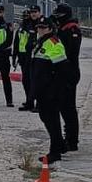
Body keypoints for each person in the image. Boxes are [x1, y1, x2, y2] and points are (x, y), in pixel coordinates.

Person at [30, 17, 70, 164]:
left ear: (50, 29)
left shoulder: (54, 43)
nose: (40, 30)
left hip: (51, 90)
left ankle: (55, 152)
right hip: (42, 89)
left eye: (44, 28)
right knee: (45, 118)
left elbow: (62, 69)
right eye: (39, 27)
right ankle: (60, 145)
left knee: (52, 121)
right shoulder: (40, 42)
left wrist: (55, 90)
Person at [52, 3, 82, 152]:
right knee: (63, 107)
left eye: (59, 15)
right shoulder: (63, 28)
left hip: (69, 72)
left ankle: (72, 140)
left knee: (68, 108)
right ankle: (69, 137)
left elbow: (69, 51)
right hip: (62, 72)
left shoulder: (71, 29)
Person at [13, 5, 41, 112]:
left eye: (35, 12)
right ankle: (29, 102)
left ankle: (39, 104)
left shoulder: (42, 24)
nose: (33, 14)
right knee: (26, 81)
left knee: (36, 81)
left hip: (37, 57)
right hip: (25, 57)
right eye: (31, 12)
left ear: (39, 12)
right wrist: (15, 56)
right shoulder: (25, 25)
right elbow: (17, 41)